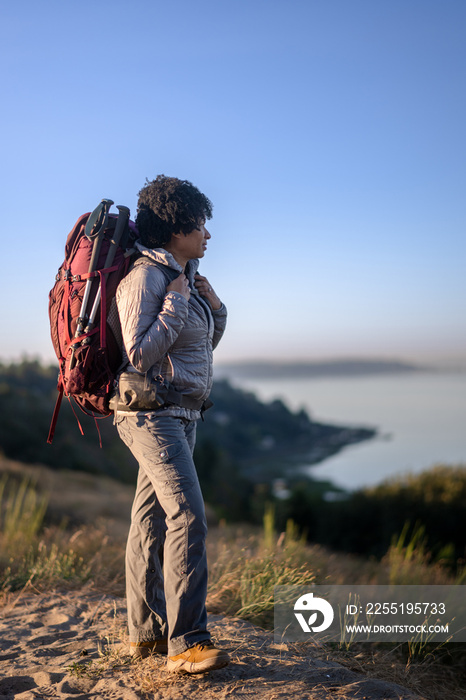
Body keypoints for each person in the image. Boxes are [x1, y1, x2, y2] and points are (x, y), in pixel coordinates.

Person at [112, 175, 229, 673]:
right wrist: (177, 299)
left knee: (152, 520)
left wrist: (214, 306)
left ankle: (144, 635)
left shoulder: (185, 277)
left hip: (182, 415)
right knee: (188, 517)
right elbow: (138, 353)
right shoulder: (147, 277)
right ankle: (187, 644)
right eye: (200, 224)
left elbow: (198, 349)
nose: (208, 234)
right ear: (177, 227)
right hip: (151, 416)